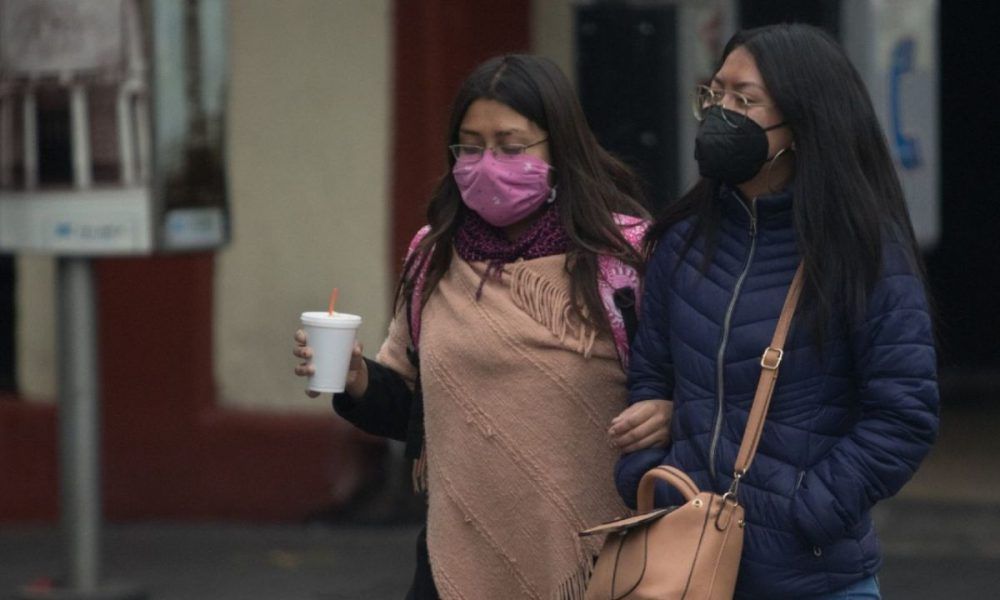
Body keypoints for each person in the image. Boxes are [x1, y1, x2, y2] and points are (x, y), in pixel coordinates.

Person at [293, 54, 671, 599]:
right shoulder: (435, 254)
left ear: (559, 149)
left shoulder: (625, 255)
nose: (487, 163)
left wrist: (667, 411)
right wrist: (354, 378)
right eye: (470, 147)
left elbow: (692, 383)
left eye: (511, 147)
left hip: (602, 563)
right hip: (456, 560)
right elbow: (415, 411)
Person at [616, 24, 939, 599]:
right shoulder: (683, 243)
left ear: (803, 121)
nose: (721, 112)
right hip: (683, 566)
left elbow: (902, 414)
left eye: (745, 99)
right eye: (715, 94)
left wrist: (804, 513)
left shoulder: (861, 251)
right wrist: (645, 474)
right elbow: (651, 375)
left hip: (812, 578)